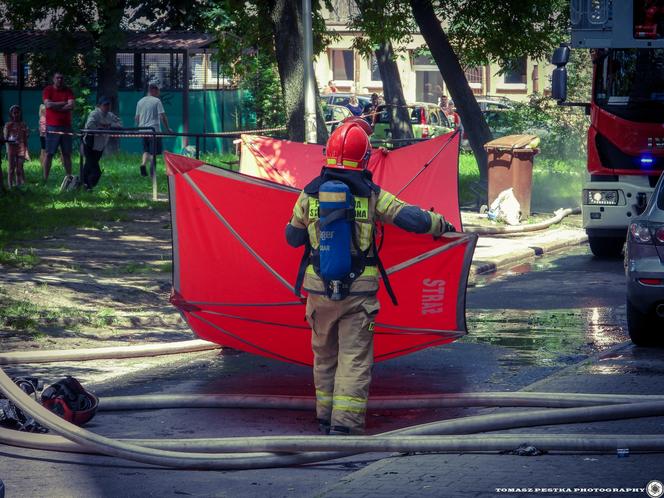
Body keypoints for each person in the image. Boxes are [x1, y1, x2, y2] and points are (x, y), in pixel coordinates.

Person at [285, 121, 456, 435]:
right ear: (364, 160)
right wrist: (441, 224)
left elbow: (292, 238)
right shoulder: (373, 195)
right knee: (353, 357)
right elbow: (413, 220)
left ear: (328, 156)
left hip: (318, 293)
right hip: (358, 295)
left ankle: (324, 417)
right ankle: (345, 425)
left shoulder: (309, 193)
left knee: (324, 356)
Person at [81, 96, 121, 190]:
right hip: (89, 144)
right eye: (105, 105)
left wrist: (109, 125)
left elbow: (119, 124)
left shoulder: (110, 115)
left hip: (100, 145)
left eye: (108, 105)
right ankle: (88, 186)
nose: (107, 107)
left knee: (88, 166)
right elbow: (90, 125)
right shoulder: (94, 113)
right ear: (99, 106)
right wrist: (100, 127)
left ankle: (81, 184)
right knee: (96, 172)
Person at [42, 72, 75, 187]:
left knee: (67, 154)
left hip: (66, 127)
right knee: (49, 153)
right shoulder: (48, 90)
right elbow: (48, 105)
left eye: (61, 77)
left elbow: (71, 105)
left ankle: (69, 177)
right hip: (52, 126)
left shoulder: (68, 90)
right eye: (57, 78)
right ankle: (45, 179)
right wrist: (63, 104)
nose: (60, 79)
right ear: (53, 79)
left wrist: (55, 106)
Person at [135, 83, 171, 177]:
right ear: (153, 90)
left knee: (146, 150)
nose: (159, 92)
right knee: (153, 152)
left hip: (143, 130)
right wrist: (167, 128)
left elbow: (137, 117)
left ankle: (143, 164)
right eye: (158, 90)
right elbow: (162, 116)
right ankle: (152, 172)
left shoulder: (140, 101)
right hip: (154, 130)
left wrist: (138, 127)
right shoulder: (156, 101)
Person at [3, 105, 29, 188]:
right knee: (11, 169)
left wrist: (26, 150)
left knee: (19, 168)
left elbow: (25, 138)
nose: (16, 115)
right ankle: (10, 186)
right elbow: (5, 138)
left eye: (18, 113)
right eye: (14, 113)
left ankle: (19, 185)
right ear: (11, 114)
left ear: (20, 113)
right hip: (11, 148)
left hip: (21, 148)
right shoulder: (8, 125)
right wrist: (9, 136)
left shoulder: (23, 124)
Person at [38, 104, 47, 170]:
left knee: (43, 150)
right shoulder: (43, 118)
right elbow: (43, 129)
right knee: (44, 151)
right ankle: (43, 164)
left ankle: (43, 164)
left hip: (43, 136)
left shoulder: (42, 118)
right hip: (44, 136)